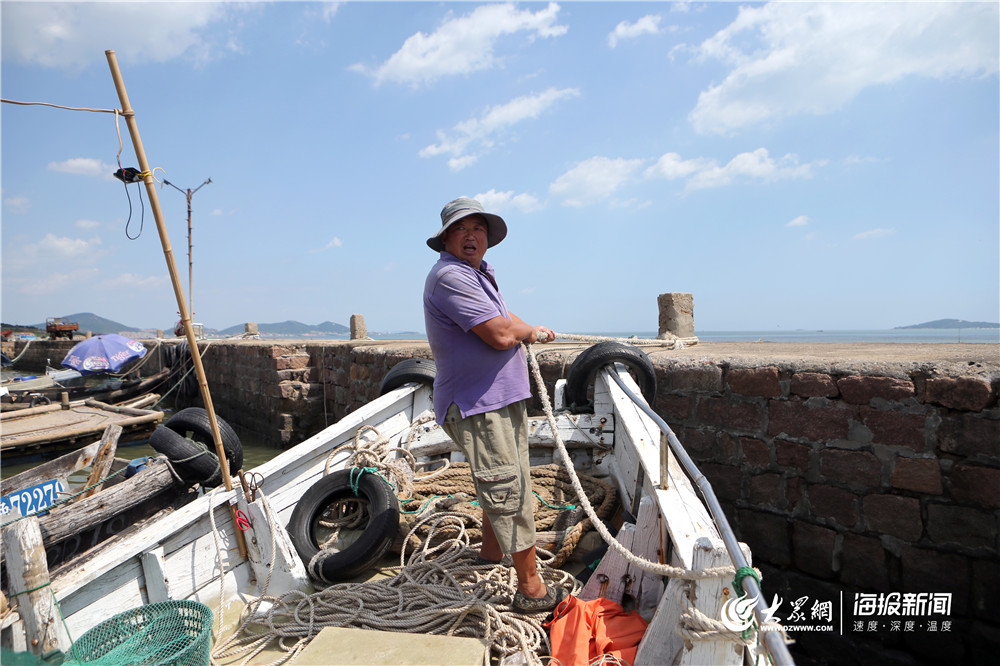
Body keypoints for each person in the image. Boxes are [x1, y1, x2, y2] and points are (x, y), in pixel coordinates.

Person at [423, 196, 566, 614]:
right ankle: (531, 590)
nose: (471, 235)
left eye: (479, 228)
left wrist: (531, 328)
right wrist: (528, 334)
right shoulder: (451, 276)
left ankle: (490, 553)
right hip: (478, 404)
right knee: (508, 489)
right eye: (461, 228)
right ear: (445, 238)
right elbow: (501, 335)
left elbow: (505, 317)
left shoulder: (478, 274)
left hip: (500, 399)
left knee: (506, 480)